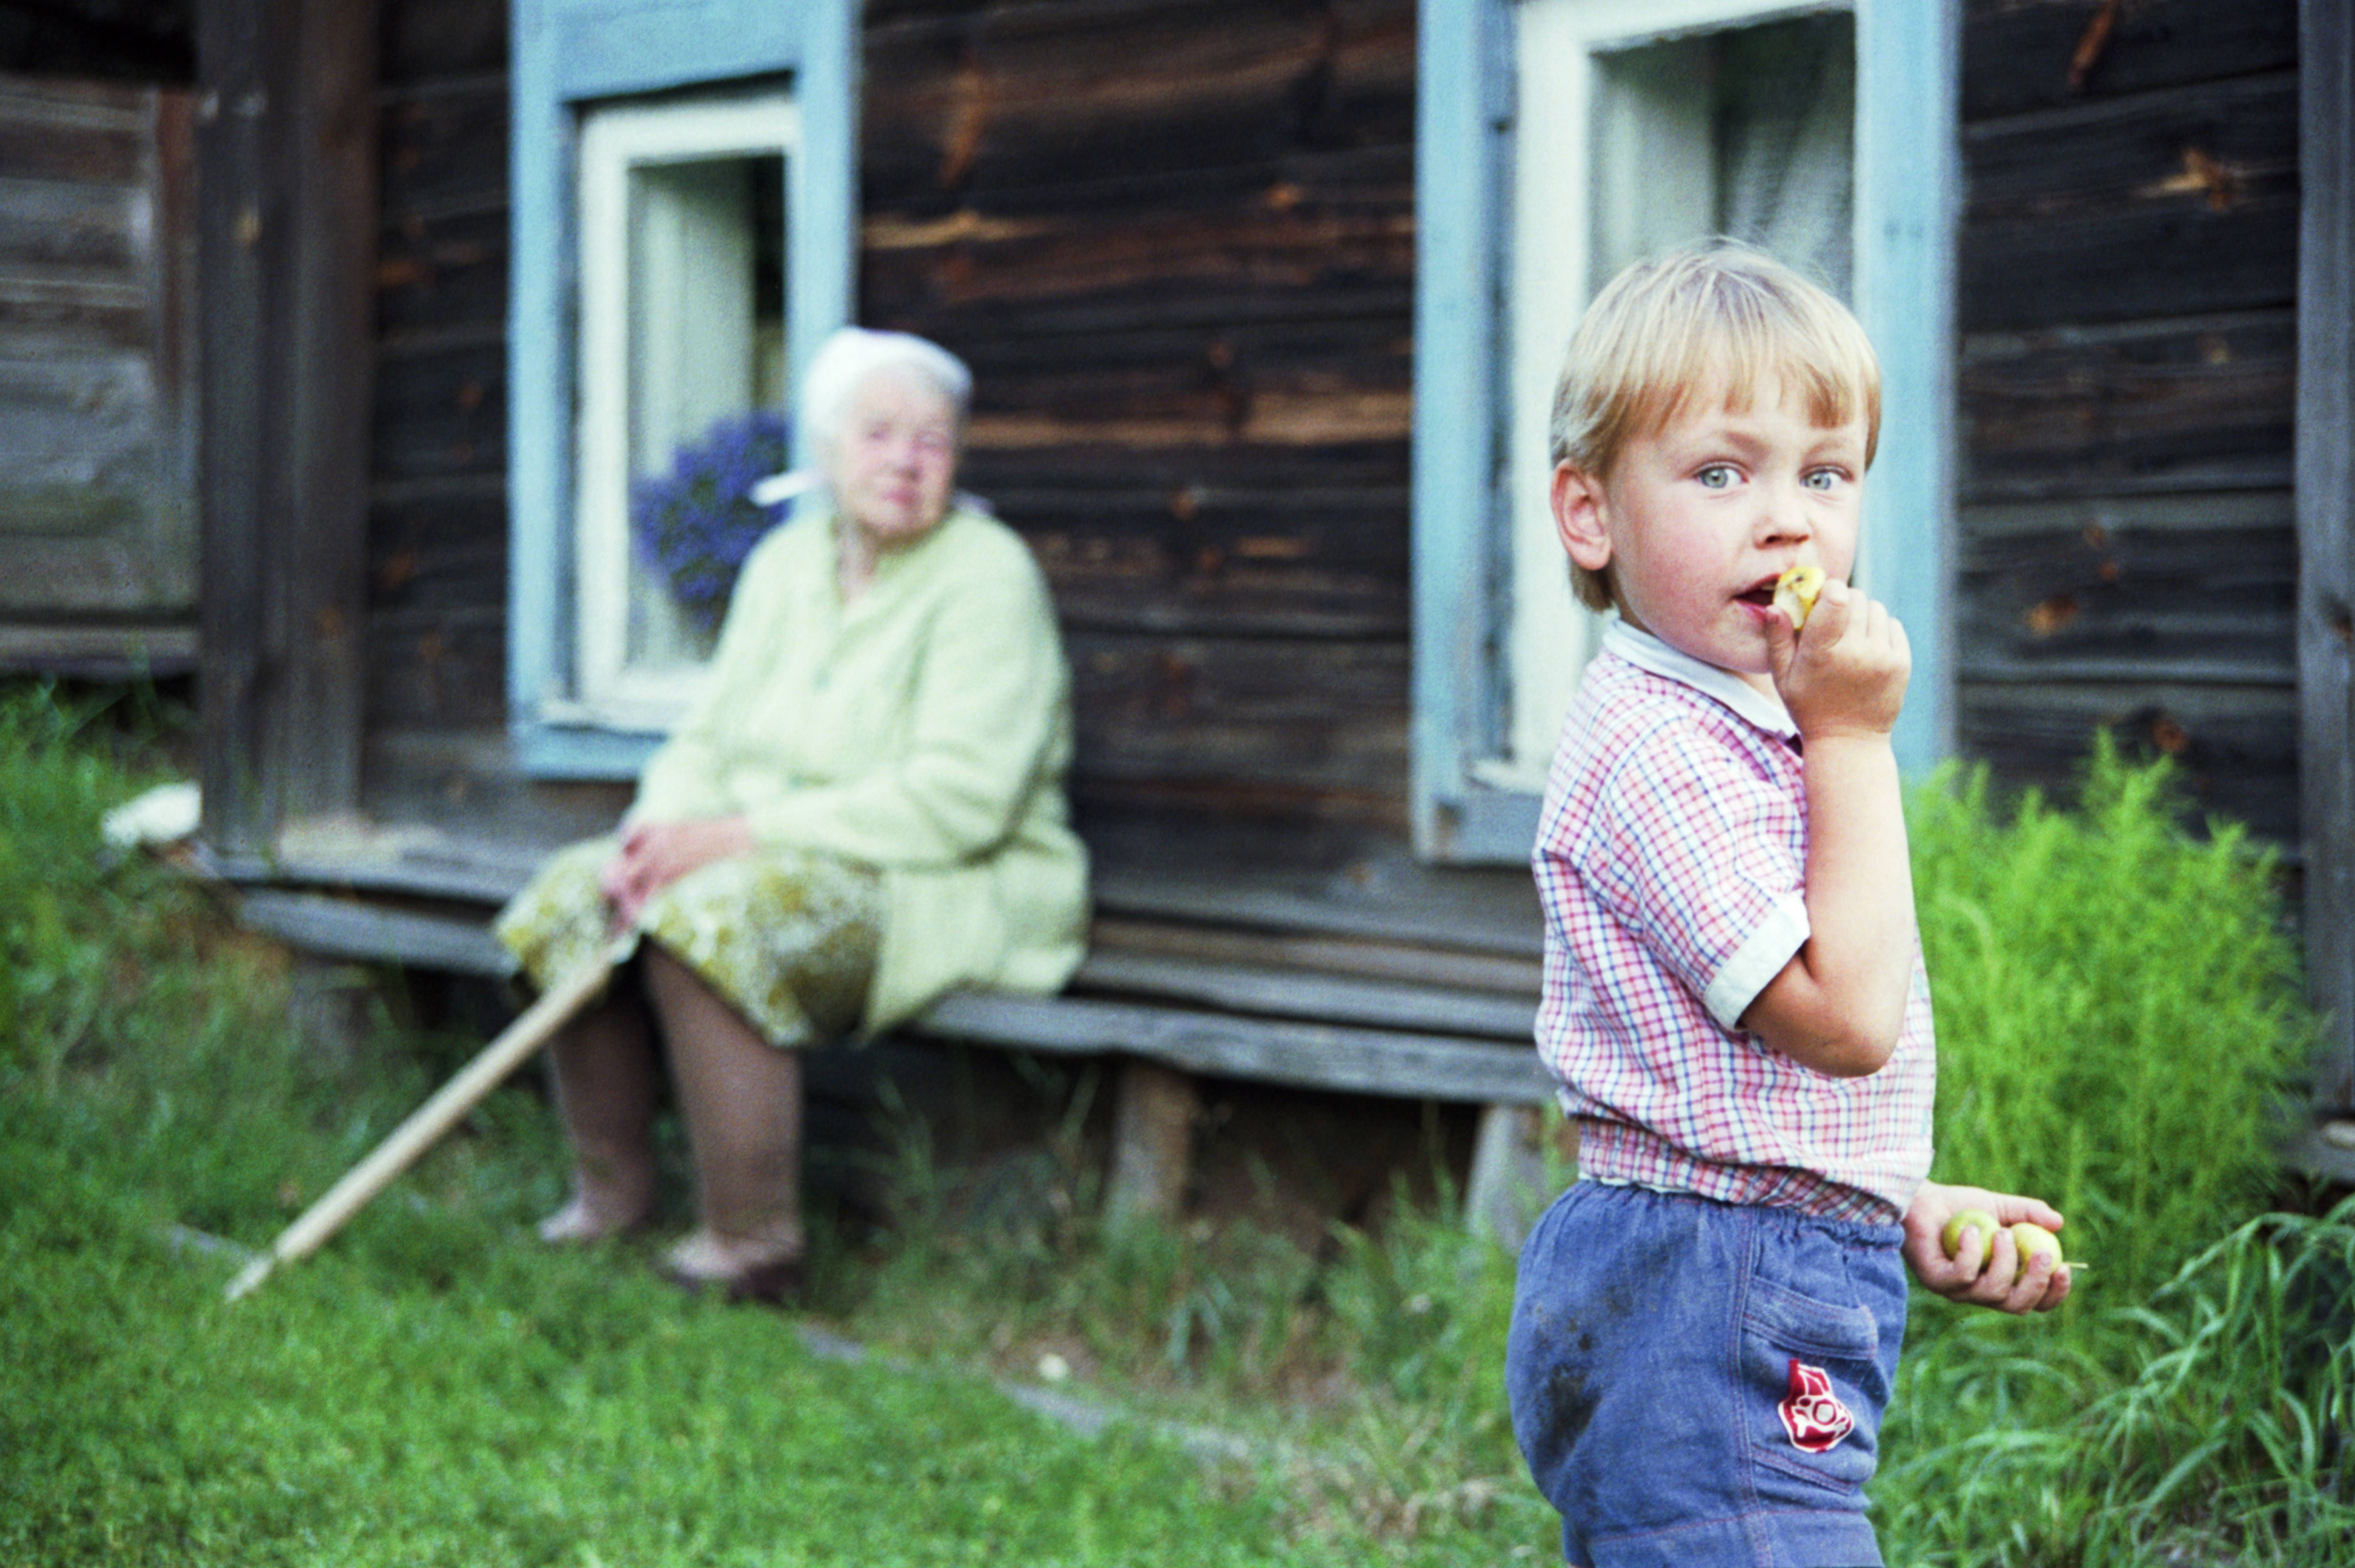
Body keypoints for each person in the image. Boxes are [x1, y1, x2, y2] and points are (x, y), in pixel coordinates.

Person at [1503, 244, 2072, 1568]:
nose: (1788, 520)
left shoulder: (1724, 726)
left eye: (1825, 474)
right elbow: (1846, 1016)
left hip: (1722, 1264)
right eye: (1720, 472)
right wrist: (1857, 737)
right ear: (1589, 516)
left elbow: (1739, 1077)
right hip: (1715, 1296)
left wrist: (1888, 1197)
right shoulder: (1660, 748)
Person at [494, 327, 1088, 1304]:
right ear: (824, 449)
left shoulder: (988, 574)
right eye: (880, 432)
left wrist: (732, 839)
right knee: (577, 893)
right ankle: (611, 1201)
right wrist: (654, 839)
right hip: (790, 852)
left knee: (715, 918)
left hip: (950, 881)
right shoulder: (784, 565)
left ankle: (754, 1243)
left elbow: (960, 803)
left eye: (932, 440)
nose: (905, 459)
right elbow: (707, 742)